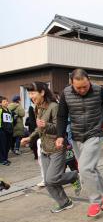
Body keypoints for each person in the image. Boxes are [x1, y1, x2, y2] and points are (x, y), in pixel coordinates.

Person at [55, 69, 103, 217]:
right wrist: (60, 135)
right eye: (78, 87)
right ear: (72, 84)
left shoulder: (99, 90)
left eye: (85, 86)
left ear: (89, 80)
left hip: (94, 133)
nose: (82, 90)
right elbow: (61, 116)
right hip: (76, 136)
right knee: (90, 169)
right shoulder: (66, 93)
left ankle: (96, 201)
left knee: (84, 169)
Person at [20, 82, 81, 213]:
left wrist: (45, 125)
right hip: (45, 148)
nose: (31, 96)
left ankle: (74, 175)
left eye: (32, 93)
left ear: (42, 92)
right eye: (29, 93)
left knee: (52, 178)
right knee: (48, 182)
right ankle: (65, 202)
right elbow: (39, 128)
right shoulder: (38, 107)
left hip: (57, 148)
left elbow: (60, 128)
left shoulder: (54, 106)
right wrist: (30, 137)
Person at [0, 96, 13, 166]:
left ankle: (5, 158)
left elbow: (11, 121)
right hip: (2, 130)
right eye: (4, 101)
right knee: (2, 145)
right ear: (0, 103)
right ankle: (2, 160)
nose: (6, 103)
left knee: (8, 145)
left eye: (7, 101)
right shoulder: (0, 110)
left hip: (9, 130)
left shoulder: (9, 110)